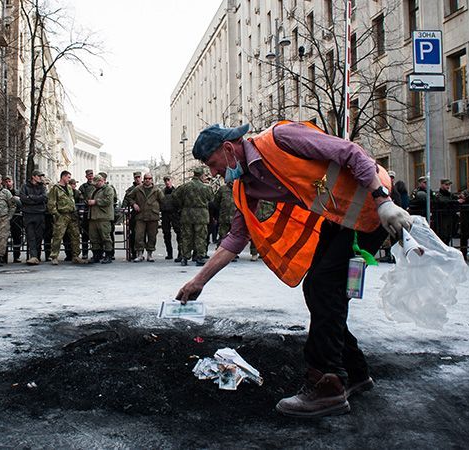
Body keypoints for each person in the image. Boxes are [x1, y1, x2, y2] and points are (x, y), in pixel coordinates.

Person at [176, 122, 411, 418]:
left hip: (373, 206)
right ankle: (355, 372)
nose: (212, 172)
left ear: (228, 149)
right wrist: (199, 281)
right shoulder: (244, 185)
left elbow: (349, 152)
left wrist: (384, 202)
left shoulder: (280, 139)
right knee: (317, 289)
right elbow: (237, 237)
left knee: (325, 287)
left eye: (212, 164)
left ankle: (328, 383)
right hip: (339, 216)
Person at [173, 166, 213, 266]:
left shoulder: (185, 186)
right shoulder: (206, 187)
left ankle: (185, 258)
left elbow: (174, 196)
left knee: (186, 236)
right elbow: (212, 199)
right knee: (200, 237)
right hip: (201, 215)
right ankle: (200, 257)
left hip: (187, 214)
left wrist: (182, 204)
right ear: (202, 175)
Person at [47, 170, 85, 265]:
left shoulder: (69, 187)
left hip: (72, 214)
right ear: (63, 177)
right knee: (58, 236)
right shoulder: (55, 188)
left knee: (75, 236)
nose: (69, 179)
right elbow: (51, 203)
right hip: (62, 215)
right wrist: (56, 214)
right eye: (68, 177)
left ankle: (76, 256)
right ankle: (54, 256)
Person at [126, 173, 164, 262]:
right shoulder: (138, 189)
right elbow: (129, 197)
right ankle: (139, 254)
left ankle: (150, 254)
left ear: (152, 179)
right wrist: (134, 204)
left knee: (152, 236)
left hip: (153, 216)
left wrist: (157, 210)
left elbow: (163, 201)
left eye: (149, 178)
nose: (147, 180)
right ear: (144, 179)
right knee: (139, 235)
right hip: (141, 216)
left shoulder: (157, 190)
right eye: (146, 178)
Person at [20, 170, 48, 265]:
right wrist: (36, 199)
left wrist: (30, 198)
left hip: (40, 213)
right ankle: (33, 256)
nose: (41, 178)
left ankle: (37, 256)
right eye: (39, 176)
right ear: (33, 176)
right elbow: (23, 198)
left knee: (39, 236)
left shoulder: (42, 187)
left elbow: (44, 198)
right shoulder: (25, 187)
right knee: (30, 236)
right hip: (28, 214)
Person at [86, 174, 115, 263]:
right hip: (93, 217)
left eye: (96, 183)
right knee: (94, 238)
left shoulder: (108, 189)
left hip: (104, 217)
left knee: (106, 237)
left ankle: (108, 255)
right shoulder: (94, 190)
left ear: (101, 181)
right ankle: (96, 255)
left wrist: (95, 201)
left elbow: (108, 201)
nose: (95, 185)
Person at [433, 179, 460, 245]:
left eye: (449, 185)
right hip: (441, 217)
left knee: (449, 234)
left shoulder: (450, 195)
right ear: (442, 184)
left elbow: (456, 199)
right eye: (446, 185)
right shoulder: (437, 194)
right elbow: (442, 201)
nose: (448, 186)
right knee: (442, 234)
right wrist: (455, 202)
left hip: (450, 216)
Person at [122, 171, 142, 261]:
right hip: (134, 214)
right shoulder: (130, 190)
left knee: (142, 235)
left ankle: (141, 253)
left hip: (144, 214)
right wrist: (125, 209)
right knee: (133, 234)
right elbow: (126, 200)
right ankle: (133, 252)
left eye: (139, 177)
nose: (138, 179)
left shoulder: (145, 187)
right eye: (136, 177)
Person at [160, 176, 181, 260]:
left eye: (168, 180)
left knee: (179, 234)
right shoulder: (162, 192)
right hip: (165, 214)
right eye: (165, 181)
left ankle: (180, 253)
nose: (167, 182)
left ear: (172, 181)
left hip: (174, 213)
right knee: (166, 234)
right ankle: (169, 253)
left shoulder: (176, 192)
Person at [78, 169, 97, 259]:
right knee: (85, 234)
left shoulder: (97, 185)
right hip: (86, 212)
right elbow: (80, 198)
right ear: (86, 176)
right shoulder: (83, 187)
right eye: (89, 175)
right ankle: (85, 253)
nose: (90, 176)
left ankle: (96, 253)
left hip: (95, 212)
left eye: (92, 175)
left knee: (94, 234)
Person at [3, 175, 23, 263]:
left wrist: (17, 200)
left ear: (12, 182)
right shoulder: (2, 192)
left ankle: (16, 256)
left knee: (17, 237)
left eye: (9, 181)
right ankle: (4, 256)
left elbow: (22, 204)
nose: (8, 183)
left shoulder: (18, 192)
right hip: (5, 217)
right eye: (6, 181)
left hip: (16, 217)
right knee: (4, 237)